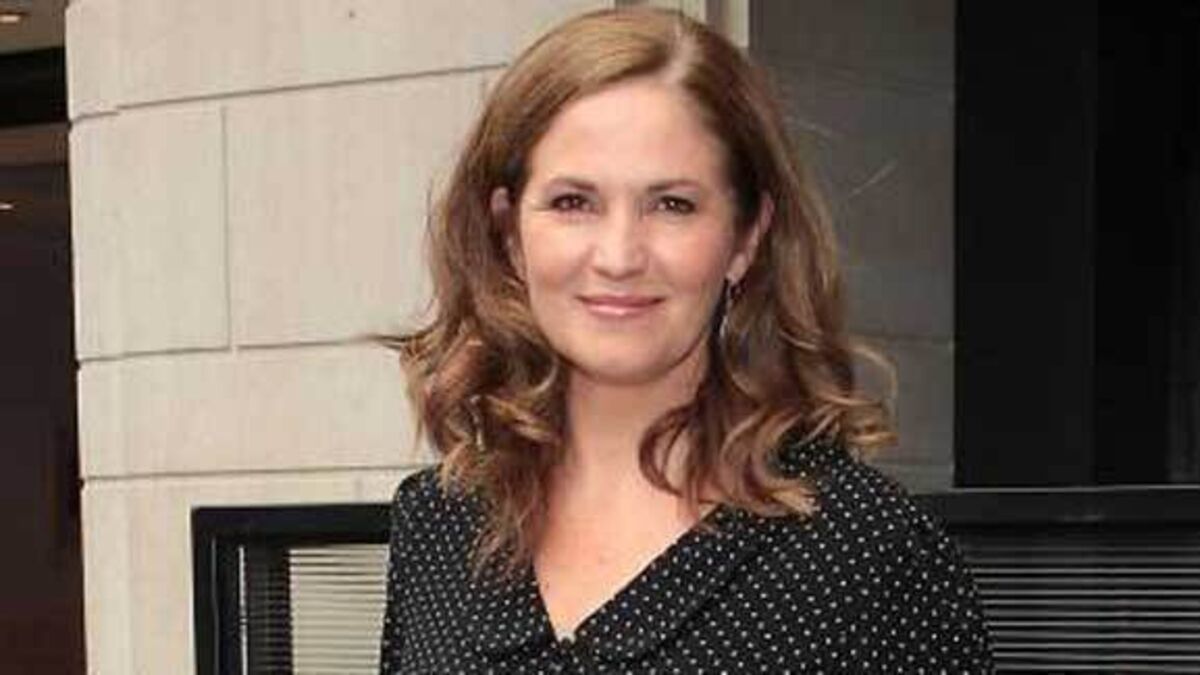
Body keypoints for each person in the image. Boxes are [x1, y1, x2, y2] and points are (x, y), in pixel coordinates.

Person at [378, 7, 992, 673]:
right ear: (509, 234)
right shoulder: (438, 521)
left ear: (746, 237)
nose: (619, 256)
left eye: (672, 204)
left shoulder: (870, 551)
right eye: (573, 202)